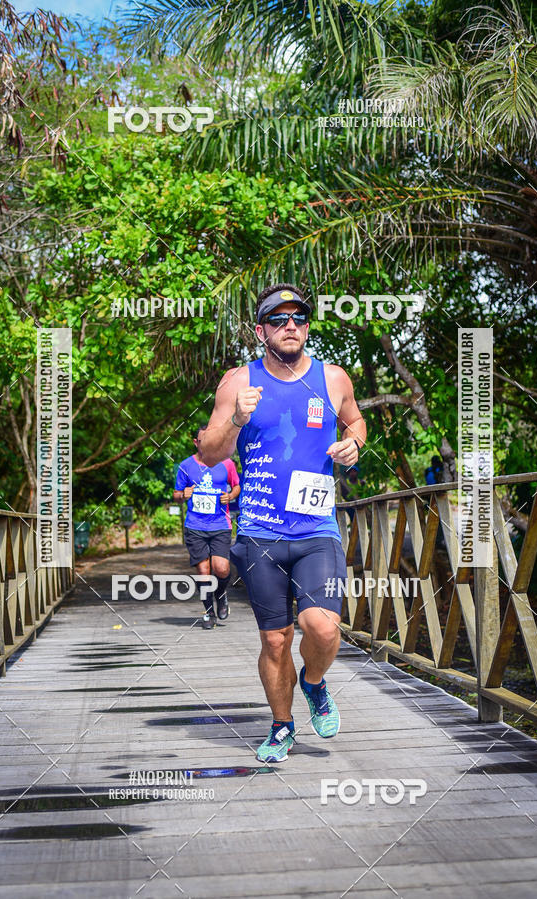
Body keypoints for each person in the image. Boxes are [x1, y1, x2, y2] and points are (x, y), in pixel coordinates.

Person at [200, 283, 366, 762]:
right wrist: (234, 418)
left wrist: (353, 445)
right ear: (261, 331)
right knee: (275, 639)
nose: (289, 325)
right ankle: (282, 727)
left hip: (316, 530)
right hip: (258, 532)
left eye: (298, 318)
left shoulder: (333, 379)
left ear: (307, 327)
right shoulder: (237, 382)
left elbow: (356, 423)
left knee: (323, 628)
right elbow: (210, 453)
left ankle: (314, 683)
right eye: (278, 319)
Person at [173, 425, 241, 628]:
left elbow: (236, 485)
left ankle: (221, 595)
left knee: (221, 568)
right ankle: (209, 612)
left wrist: (231, 496)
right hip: (195, 526)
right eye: (203, 441)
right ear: (196, 442)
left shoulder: (227, 463)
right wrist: (182, 495)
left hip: (220, 523)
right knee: (204, 571)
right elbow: (176, 494)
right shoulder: (186, 466)